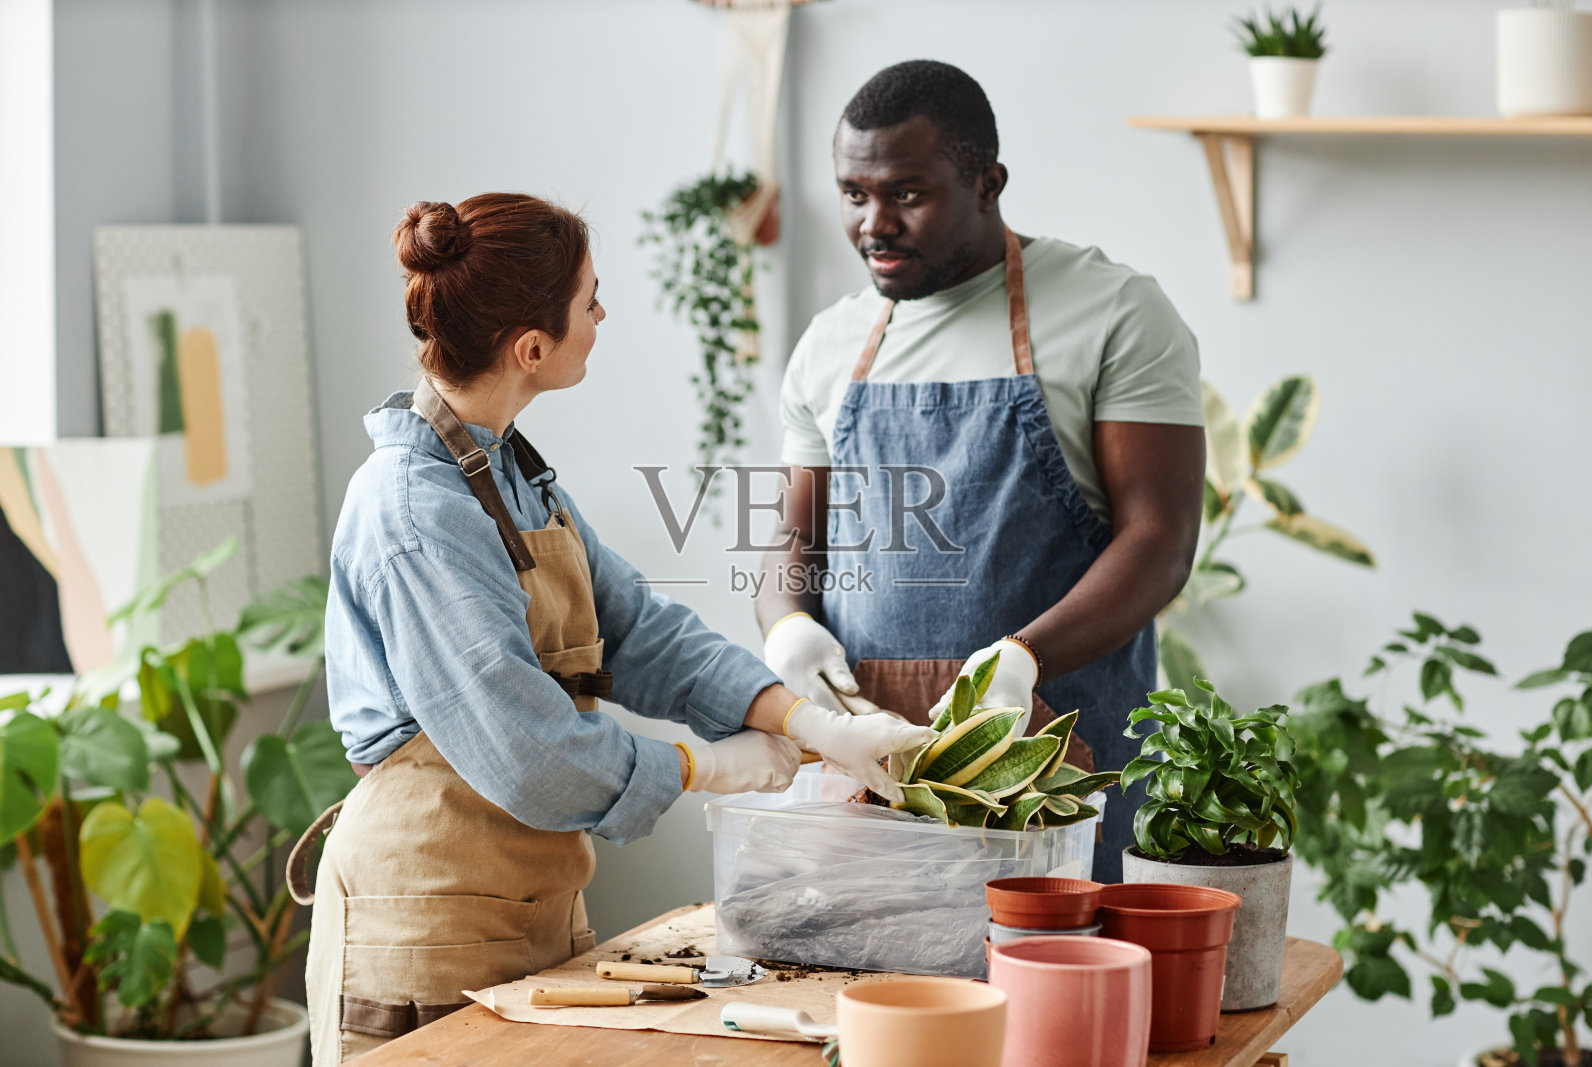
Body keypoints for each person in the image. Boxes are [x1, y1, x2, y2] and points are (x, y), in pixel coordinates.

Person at [289, 193, 934, 1065]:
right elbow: (528, 751)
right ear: (531, 347)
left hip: (534, 905)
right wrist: (702, 766)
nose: (602, 316)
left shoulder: (512, 473)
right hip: (425, 925)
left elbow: (639, 629)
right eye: (589, 300)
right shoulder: (414, 509)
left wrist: (807, 721)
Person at [757, 61, 1205, 882]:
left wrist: (1023, 660)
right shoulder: (829, 345)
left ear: (987, 181)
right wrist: (787, 624)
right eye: (854, 195)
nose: (873, 224)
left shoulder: (1113, 312)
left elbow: (1161, 540)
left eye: (907, 194)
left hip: (1053, 769)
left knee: (1053, 999)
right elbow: (794, 540)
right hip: (872, 781)